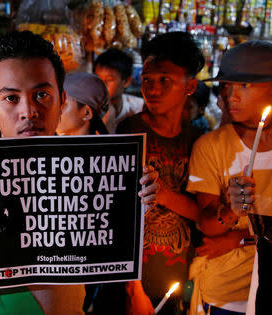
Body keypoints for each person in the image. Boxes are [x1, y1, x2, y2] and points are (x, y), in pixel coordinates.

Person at [0, 31, 160, 314]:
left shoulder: (91, 172)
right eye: (11, 98)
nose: (28, 110)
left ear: (61, 101)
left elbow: (110, 244)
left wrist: (136, 205)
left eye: (42, 95)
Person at [115, 31, 205, 314]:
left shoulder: (198, 140)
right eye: (147, 81)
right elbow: (117, 218)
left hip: (181, 276)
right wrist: (133, 289)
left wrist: (164, 195)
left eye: (165, 80)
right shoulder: (129, 132)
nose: (152, 90)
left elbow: (202, 213)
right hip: (134, 282)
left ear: (190, 86)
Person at [187, 40, 272, 315]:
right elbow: (208, 226)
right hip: (226, 294)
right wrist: (231, 210)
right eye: (225, 86)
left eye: (244, 86)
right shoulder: (210, 147)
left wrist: (240, 240)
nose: (230, 96)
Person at [94, 48, 144, 133]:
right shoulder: (87, 111)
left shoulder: (139, 108)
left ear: (126, 81)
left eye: (109, 80)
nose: (102, 85)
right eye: (98, 79)